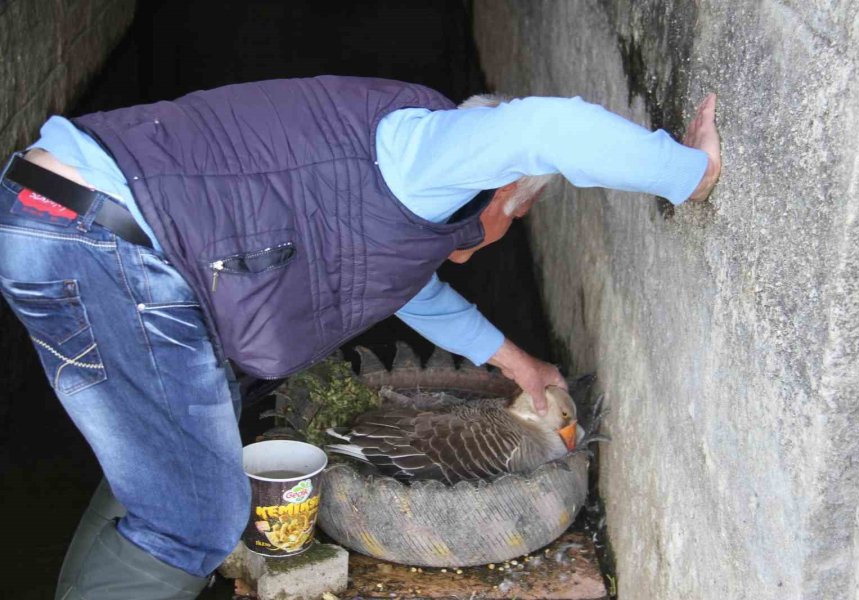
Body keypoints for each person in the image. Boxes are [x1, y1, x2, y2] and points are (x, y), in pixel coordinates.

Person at [0, 75, 720, 599]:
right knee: (198, 518)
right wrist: (690, 176)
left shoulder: (399, 192)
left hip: (59, 218)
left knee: (173, 469)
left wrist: (520, 365)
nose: (502, 234)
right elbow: (549, 129)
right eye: (513, 217)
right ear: (504, 191)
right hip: (102, 237)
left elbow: (412, 289)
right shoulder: (423, 152)